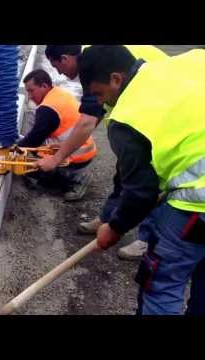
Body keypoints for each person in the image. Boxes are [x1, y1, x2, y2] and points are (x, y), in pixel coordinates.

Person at [78, 45, 205, 314]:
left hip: (196, 208)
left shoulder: (127, 116)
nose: (102, 104)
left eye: (99, 94)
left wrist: (113, 228)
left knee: (162, 284)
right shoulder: (194, 60)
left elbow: (141, 191)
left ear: (116, 78)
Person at [40, 45, 168, 260]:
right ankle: (108, 218)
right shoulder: (96, 58)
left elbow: (87, 122)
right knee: (124, 172)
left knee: (153, 178)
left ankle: (146, 238)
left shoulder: (97, 65)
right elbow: (94, 113)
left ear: (65, 58)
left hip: (158, 120)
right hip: (147, 111)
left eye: (57, 67)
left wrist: (57, 158)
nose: (60, 73)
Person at [18, 69, 96, 201]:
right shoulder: (56, 93)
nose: (30, 96)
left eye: (31, 90)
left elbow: (33, 140)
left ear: (44, 86)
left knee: (36, 169)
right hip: (83, 148)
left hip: (78, 156)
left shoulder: (48, 109)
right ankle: (66, 175)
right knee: (36, 153)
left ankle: (75, 179)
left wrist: (14, 150)